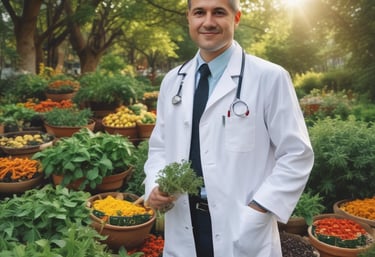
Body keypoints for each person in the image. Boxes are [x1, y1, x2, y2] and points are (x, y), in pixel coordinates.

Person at [144, 0, 314, 256]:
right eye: (199, 12)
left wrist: (259, 208)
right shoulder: (173, 81)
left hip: (241, 225)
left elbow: (296, 155)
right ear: (188, 18)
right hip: (184, 222)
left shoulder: (270, 77)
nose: (208, 22)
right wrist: (155, 186)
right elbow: (159, 146)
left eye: (219, 12)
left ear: (236, 18)